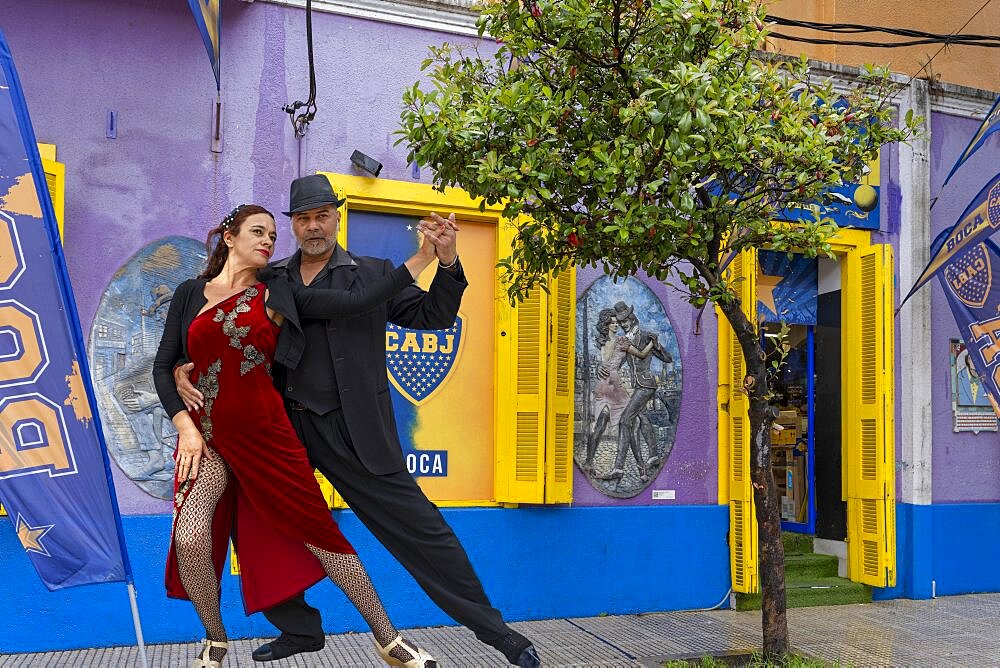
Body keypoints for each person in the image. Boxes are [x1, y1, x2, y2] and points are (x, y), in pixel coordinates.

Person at [174, 175, 542, 667]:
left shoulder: (373, 273)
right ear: (293, 226)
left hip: (356, 431)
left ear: (337, 215)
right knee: (259, 519)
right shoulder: (272, 278)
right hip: (285, 427)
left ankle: (497, 634)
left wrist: (447, 259)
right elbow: (222, 330)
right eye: (302, 219)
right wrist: (185, 369)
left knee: (423, 531)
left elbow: (433, 315)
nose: (313, 226)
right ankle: (300, 628)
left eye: (321, 215)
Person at [153, 204, 442, 668]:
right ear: (229, 237)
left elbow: (355, 303)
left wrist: (423, 257)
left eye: (272, 234)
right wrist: (185, 427)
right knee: (189, 539)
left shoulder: (277, 291)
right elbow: (163, 367)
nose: (268, 241)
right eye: (257, 232)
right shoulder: (191, 294)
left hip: (269, 438)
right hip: (207, 439)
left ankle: (389, 640)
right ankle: (215, 637)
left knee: (323, 538)